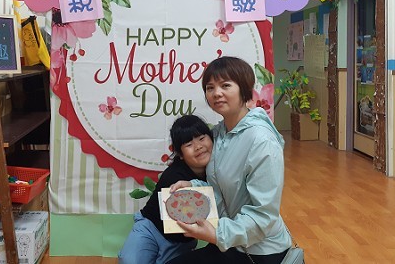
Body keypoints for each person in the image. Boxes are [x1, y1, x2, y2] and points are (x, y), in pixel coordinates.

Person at [167, 56, 292, 264]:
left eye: (225, 85)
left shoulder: (261, 140)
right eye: (210, 88)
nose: (216, 93)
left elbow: (263, 216)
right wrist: (194, 185)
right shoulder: (219, 133)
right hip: (231, 241)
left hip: (260, 250)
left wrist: (217, 234)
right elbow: (222, 186)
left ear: (244, 89)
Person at [118, 114, 214, 264]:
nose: (198, 147)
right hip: (152, 227)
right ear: (180, 154)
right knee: (130, 261)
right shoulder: (174, 176)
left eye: (202, 138)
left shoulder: (218, 171)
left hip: (181, 241)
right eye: (189, 144)